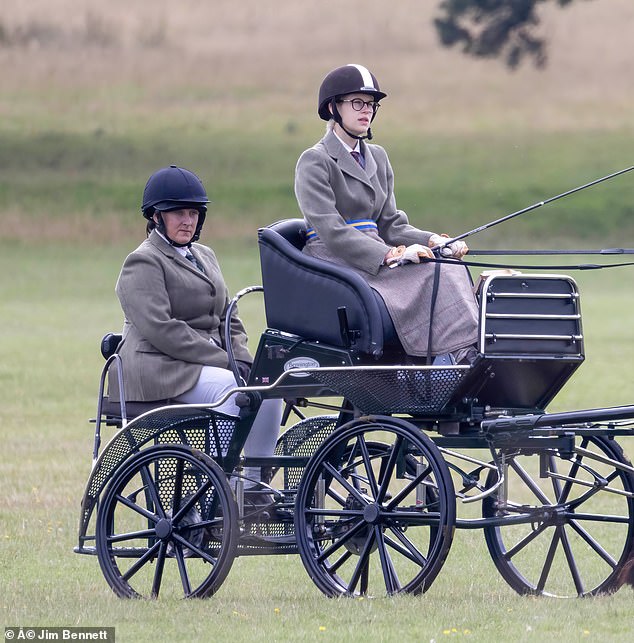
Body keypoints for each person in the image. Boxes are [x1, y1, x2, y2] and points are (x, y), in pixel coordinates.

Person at [109, 165, 281, 493]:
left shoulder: (205, 255)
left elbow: (229, 316)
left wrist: (243, 359)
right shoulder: (142, 262)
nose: (188, 221)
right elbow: (163, 330)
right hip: (159, 367)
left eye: (193, 213)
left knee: (266, 386)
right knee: (232, 392)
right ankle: (219, 488)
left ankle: (255, 486)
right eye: (177, 213)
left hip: (206, 363)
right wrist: (224, 361)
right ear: (156, 217)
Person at [294, 64, 479, 363]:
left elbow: (391, 223)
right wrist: (389, 255)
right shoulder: (315, 160)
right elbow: (332, 231)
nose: (366, 111)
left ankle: (463, 351)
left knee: (448, 266)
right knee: (433, 275)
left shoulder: (378, 156)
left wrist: (434, 241)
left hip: (378, 247)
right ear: (333, 108)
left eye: (371, 104)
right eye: (357, 103)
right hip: (337, 258)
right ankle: (451, 358)